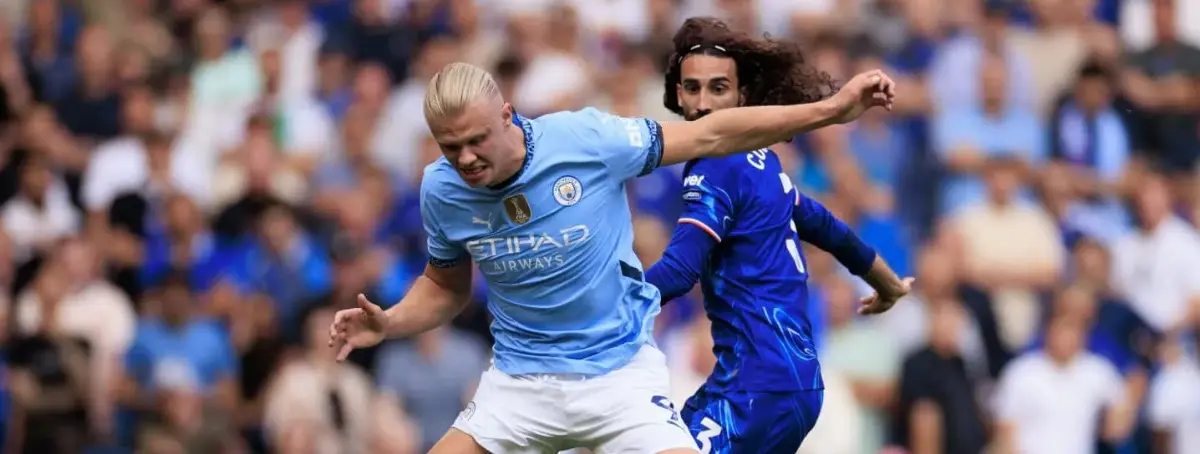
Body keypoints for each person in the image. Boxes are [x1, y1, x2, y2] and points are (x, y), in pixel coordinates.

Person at [328, 44, 897, 453]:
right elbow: (445, 287)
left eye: (478, 139)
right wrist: (392, 323)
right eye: (453, 148)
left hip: (618, 376)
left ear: (508, 115)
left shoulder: (585, 140)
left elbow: (710, 135)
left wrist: (831, 111)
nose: (468, 158)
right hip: (518, 386)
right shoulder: (441, 190)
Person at [645, 17, 912, 454]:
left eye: (718, 89)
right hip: (794, 384)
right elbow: (827, 227)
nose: (703, 103)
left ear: (742, 97)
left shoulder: (716, 165)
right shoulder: (763, 162)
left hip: (756, 388)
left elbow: (678, 270)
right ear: (677, 95)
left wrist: (599, 313)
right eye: (692, 88)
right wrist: (887, 283)